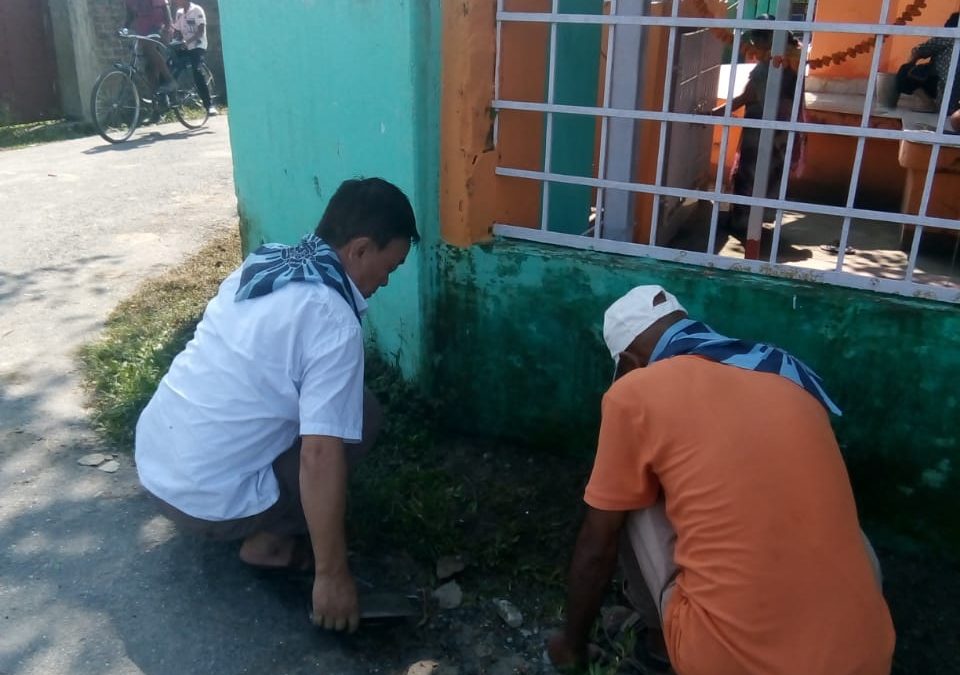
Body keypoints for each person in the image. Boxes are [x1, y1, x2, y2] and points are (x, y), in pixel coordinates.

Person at [547, 285, 896, 675]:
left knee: (625, 501)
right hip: (867, 657)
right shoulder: (781, 372)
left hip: (727, 661)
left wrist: (570, 645)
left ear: (628, 362)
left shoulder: (634, 392)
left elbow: (599, 543)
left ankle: (660, 647)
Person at [135, 177, 419, 633]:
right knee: (360, 419)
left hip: (156, 462)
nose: (385, 281)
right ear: (360, 249)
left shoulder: (265, 262)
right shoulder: (331, 319)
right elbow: (319, 455)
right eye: (390, 266)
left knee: (347, 406)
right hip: (205, 502)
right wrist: (333, 576)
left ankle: (255, 509)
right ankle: (269, 543)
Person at [714, 15, 805, 235]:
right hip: (782, 129)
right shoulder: (792, 59)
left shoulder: (771, 65)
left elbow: (748, 96)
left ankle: (743, 224)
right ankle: (755, 222)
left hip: (763, 129)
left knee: (750, 175)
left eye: (756, 41)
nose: (753, 47)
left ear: (767, 40)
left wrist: (715, 112)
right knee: (769, 176)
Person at [892, 13, 960, 114]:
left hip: (943, 87)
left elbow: (919, 50)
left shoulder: (948, 37)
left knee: (905, 71)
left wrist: (910, 65)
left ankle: (928, 103)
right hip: (954, 92)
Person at [171, 0, 216, 115]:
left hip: (197, 46)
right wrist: (174, 39)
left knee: (197, 70)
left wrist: (188, 41)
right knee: (170, 64)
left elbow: (201, 31)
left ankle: (209, 104)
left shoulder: (197, 10)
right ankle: (166, 99)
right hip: (185, 47)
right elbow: (177, 31)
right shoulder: (179, 13)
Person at [124, 0, 175, 92]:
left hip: (159, 27)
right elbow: (130, 16)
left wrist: (167, 30)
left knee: (149, 49)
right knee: (149, 66)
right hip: (144, 31)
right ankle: (157, 96)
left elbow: (165, 9)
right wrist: (124, 29)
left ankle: (169, 80)